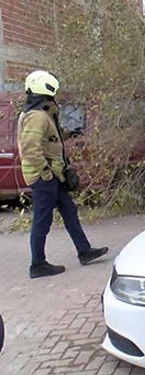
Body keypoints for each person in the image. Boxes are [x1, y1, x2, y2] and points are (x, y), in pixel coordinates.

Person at [18, 70, 108, 279]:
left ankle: (84, 251)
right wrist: (46, 174)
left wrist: (69, 133)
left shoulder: (42, 112)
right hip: (44, 177)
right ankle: (37, 265)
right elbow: (31, 148)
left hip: (52, 176)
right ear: (45, 90)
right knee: (42, 219)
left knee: (69, 210)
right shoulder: (36, 116)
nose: (54, 96)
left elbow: (50, 138)